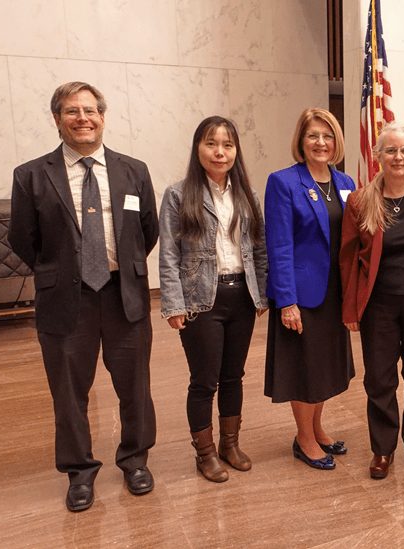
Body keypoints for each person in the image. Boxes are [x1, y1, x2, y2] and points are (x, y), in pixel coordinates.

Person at [9, 81, 158, 512]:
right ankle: (79, 471)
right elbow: (23, 238)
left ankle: (134, 460)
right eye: (72, 111)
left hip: (123, 295)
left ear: (102, 117)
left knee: (135, 385)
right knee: (69, 390)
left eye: (90, 110)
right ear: (57, 119)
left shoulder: (134, 170)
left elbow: (147, 230)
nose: (83, 118)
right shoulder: (31, 175)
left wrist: (122, 268)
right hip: (64, 302)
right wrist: (61, 272)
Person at [159, 116, 268, 483]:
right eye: (211, 144)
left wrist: (263, 293)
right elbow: (169, 254)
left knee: (233, 376)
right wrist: (173, 304)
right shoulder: (178, 194)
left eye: (227, 145)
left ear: (236, 151)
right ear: (198, 148)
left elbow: (259, 247)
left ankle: (230, 444)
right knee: (204, 380)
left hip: (241, 295)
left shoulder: (247, 195)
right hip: (201, 298)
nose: (219, 152)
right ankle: (204, 454)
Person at [340, 124, 404, 480]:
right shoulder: (361, 199)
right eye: (390, 151)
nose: (398, 158)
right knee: (379, 381)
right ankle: (382, 449)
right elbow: (349, 258)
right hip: (378, 306)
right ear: (378, 156)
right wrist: (351, 309)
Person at [263, 108, 355, 470]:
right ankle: (303, 439)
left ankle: (317, 428)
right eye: (313, 135)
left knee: (325, 366)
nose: (321, 142)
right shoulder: (283, 182)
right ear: (301, 141)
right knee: (304, 367)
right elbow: (279, 245)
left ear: (337, 142)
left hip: (335, 293)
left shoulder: (345, 183)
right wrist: (287, 301)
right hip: (302, 294)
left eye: (328, 136)